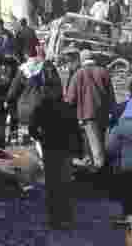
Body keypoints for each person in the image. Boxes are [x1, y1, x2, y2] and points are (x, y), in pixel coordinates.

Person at [29, 83, 80, 230]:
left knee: (52, 185)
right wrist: (79, 149)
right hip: (65, 149)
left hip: (49, 149)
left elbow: (32, 128)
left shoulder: (41, 108)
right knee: (65, 185)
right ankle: (66, 218)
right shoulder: (67, 107)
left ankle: (54, 219)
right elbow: (75, 130)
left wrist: (41, 138)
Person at [65, 49, 116, 174]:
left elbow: (70, 99)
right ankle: (96, 169)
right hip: (103, 114)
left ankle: (99, 173)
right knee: (100, 142)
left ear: (82, 60)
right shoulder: (103, 72)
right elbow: (111, 96)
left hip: (87, 115)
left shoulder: (78, 74)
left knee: (94, 146)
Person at [7, 45, 63, 158]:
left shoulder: (23, 69)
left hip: (25, 110)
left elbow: (12, 93)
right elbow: (58, 90)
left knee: (29, 137)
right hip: (44, 108)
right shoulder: (48, 68)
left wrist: (11, 107)